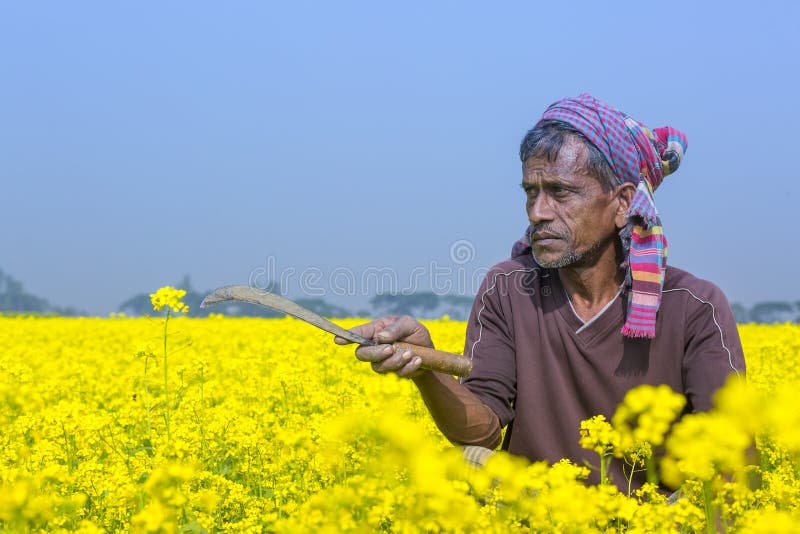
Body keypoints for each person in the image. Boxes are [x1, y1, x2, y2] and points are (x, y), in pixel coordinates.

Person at [334, 93, 745, 491]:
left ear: (622, 204)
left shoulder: (694, 308)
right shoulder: (509, 289)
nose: (538, 212)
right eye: (531, 192)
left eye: (560, 192)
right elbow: (483, 431)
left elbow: (731, 466)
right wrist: (426, 368)